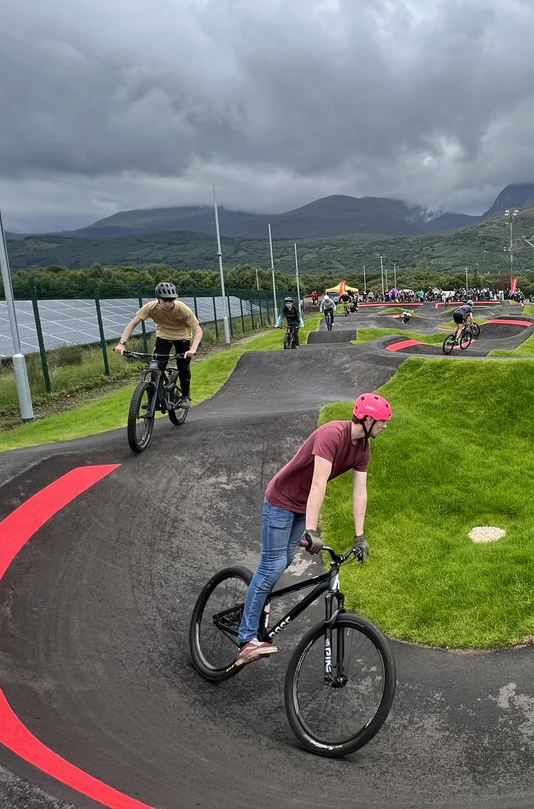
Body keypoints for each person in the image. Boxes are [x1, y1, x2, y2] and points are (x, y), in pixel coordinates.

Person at [234, 392, 393, 666]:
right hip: (282, 500)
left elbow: (360, 492)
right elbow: (319, 483)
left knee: (283, 561)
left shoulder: (363, 448)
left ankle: (260, 601)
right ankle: (246, 640)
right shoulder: (331, 434)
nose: (385, 426)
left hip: (300, 506)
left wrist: (360, 536)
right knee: (272, 565)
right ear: (367, 420)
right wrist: (312, 530)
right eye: (382, 421)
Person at [115, 282, 203, 407]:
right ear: (158, 299)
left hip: (182, 337)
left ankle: (185, 396)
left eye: (171, 300)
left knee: (183, 366)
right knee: (155, 368)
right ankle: (153, 400)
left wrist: (193, 349)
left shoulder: (183, 309)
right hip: (163, 336)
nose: (168, 303)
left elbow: (198, 329)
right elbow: (133, 324)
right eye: (165, 300)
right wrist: (121, 344)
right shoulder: (150, 307)